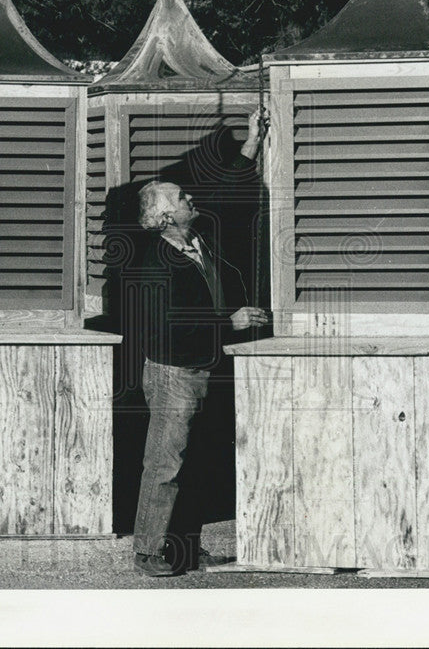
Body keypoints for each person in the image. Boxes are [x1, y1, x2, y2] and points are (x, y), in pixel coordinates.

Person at [131, 109, 270, 576]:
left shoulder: (196, 239)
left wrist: (252, 143)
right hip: (175, 372)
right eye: (183, 197)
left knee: (193, 463)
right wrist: (227, 322)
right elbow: (168, 326)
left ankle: (185, 548)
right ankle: (149, 551)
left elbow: (225, 196)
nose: (192, 198)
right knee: (165, 463)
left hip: (202, 366)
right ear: (166, 215)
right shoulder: (155, 264)